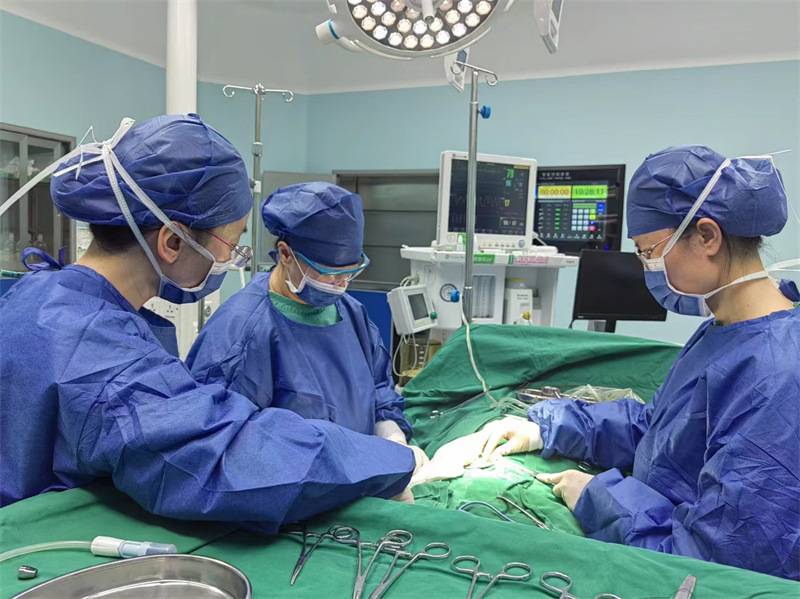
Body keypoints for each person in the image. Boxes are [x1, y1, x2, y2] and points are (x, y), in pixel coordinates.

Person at [0, 114, 417, 527]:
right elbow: (224, 459)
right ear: (173, 241)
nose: (232, 260)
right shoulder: (99, 352)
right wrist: (390, 461)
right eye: (232, 244)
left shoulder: (38, 294)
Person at [477, 146, 799, 579]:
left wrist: (598, 497)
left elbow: (717, 565)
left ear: (707, 236)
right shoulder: (724, 329)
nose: (645, 267)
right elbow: (661, 431)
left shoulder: (778, 374)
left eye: (648, 251)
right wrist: (546, 427)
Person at [187, 182, 426, 471]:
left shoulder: (351, 313)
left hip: (362, 479)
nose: (340, 285)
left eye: (350, 273)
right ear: (286, 254)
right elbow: (221, 447)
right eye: (328, 273)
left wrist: (392, 435)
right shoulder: (241, 332)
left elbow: (378, 391)